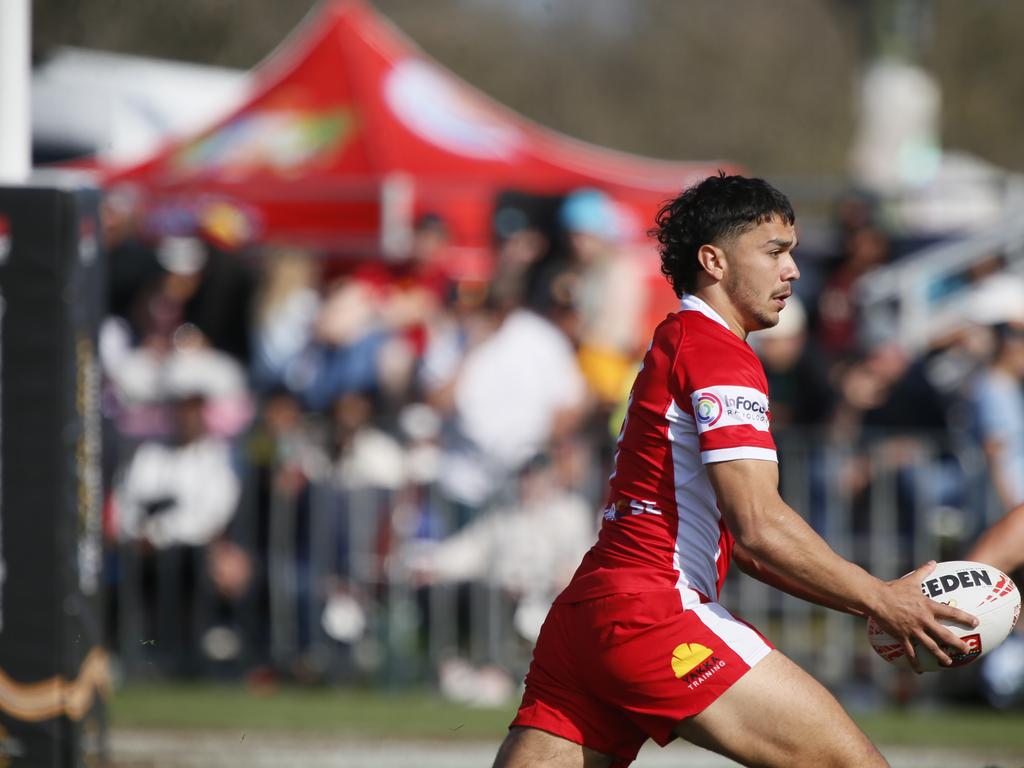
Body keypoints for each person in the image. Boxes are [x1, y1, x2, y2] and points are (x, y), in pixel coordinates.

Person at [492, 174, 977, 768]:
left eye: (793, 252)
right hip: (655, 611)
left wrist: (865, 604)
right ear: (713, 261)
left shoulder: (680, 338)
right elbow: (758, 527)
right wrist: (881, 598)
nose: (793, 271)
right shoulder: (717, 351)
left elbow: (747, 548)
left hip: (592, 610)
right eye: (775, 251)